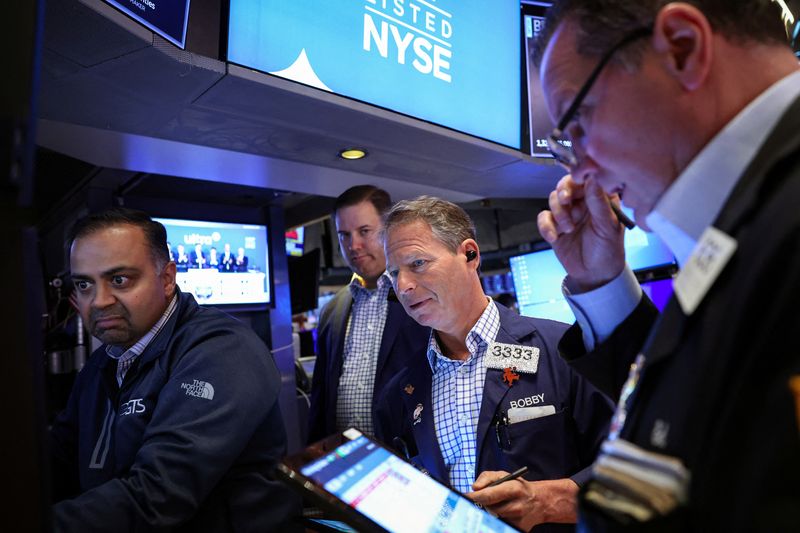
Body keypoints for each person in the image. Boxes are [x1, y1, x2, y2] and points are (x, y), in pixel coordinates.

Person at [534, 1, 800, 529]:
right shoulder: (750, 214)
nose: (582, 170)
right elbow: (710, 407)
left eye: (579, 121)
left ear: (682, 46)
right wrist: (600, 278)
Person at [49, 208, 300, 532]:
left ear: (167, 278)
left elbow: (159, 495)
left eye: (119, 279)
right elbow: (57, 461)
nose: (98, 301)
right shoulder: (102, 366)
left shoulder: (221, 350)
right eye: (84, 284)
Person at [375, 196, 614, 532]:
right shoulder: (399, 391)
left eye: (417, 263)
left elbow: (631, 467)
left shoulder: (564, 350)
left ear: (469, 255)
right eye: (394, 273)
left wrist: (551, 501)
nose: (403, 286)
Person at [307, 185, 429, 442]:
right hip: (345, 457)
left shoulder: (422, 294)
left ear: (389, 229)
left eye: (364, 231)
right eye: (344, 235)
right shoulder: (333, 309)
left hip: (408, 457)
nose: (354, 245)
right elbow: (321, 395)